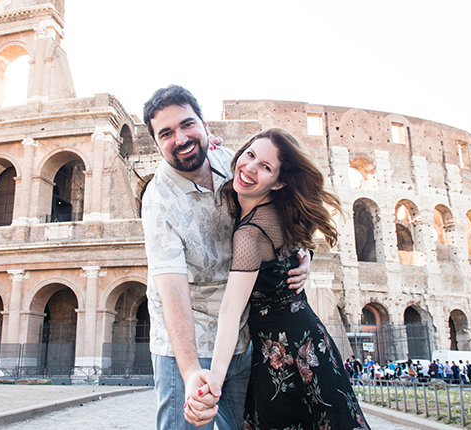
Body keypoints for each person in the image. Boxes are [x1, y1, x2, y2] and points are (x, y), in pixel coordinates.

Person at [141, 87, 310, 430]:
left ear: (204, 124)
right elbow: (173, 291)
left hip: (242, 334)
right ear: (156, 144)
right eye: (166, 133)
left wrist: (300, 253)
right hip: (187, 344)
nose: (181, 138)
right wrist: (190, 372)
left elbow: (273, 209)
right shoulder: (157, 202)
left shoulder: (229, 160)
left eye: (188, 124)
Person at [186, 128, 369, 429]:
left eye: (266, 167)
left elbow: (231, 311)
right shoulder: (281, 210)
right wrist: (307, 254)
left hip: (283, 354)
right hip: (312, 344)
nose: (250, 168)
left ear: (279, 181)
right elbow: (300, 240)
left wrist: (213, 384)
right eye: (250, 154)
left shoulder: (250, 233)